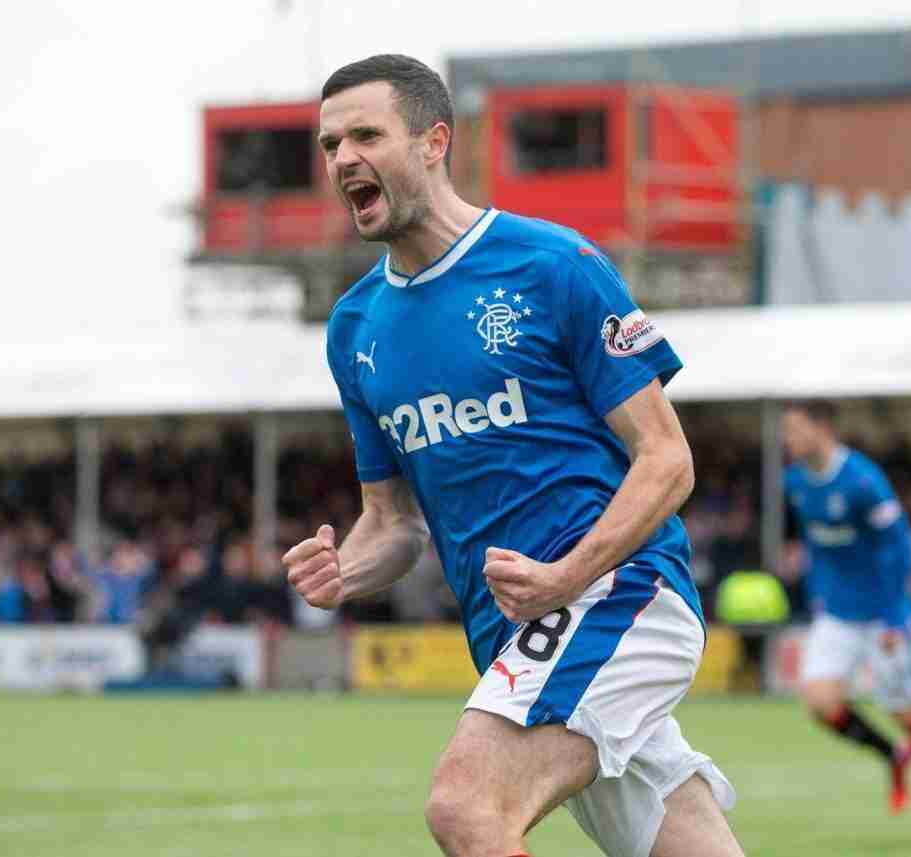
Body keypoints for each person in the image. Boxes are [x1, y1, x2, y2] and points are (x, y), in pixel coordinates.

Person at [284, 54, 742, 857]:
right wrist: (345, 570)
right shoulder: (354, 328)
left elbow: (668, 460)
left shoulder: (552, 265)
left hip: (615, 596)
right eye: (329, 145)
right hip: (518, 631)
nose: (341, 159)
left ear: (434, 142)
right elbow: (393, 523)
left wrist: (569, 574)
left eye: (364, 134)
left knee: (465, 807)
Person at [782, 400, 911, 846]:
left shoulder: (863, 481)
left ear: (822, 429)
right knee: (820, 701)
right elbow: (818, 544)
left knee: (908, 714)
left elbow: (898, 549)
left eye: (795, 429)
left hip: (884, 615)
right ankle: (893, 757)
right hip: (839, 614)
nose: (788, 440)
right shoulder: (794, 482)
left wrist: (892, 617)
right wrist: (820, 594)